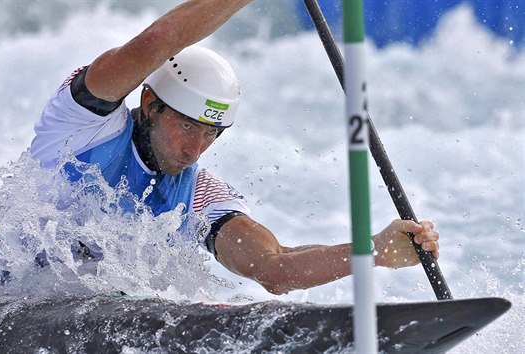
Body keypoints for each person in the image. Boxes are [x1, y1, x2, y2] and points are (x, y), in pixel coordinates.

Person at [29, 0, 439, 295]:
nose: (195, 149)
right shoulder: (83, 124)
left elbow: (272, 268)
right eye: (187, 126)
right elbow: (156, 40)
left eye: (212, 133)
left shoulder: (201, 195)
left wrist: (374, 251)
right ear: (150, 104)